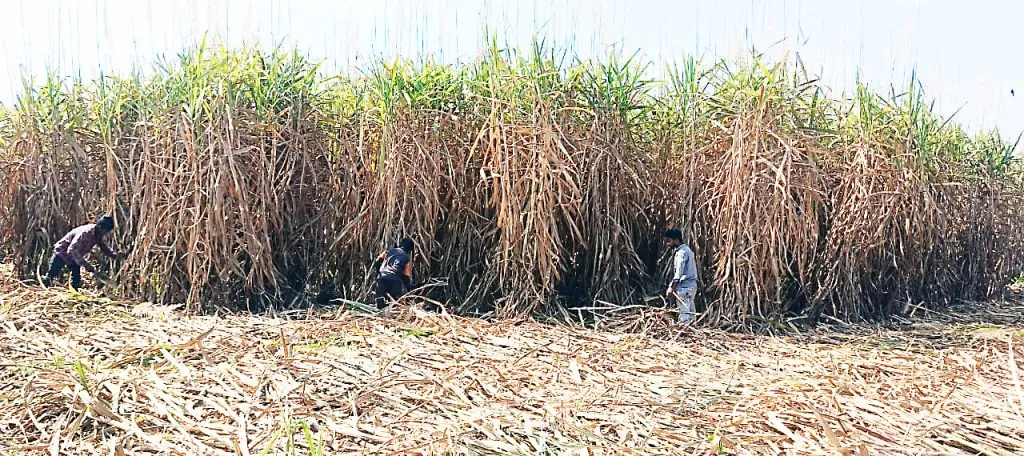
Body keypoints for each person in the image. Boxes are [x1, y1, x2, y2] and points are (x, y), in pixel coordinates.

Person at [43, 215, 123, 290]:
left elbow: (103, 247)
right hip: (62, 252)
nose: (106, 233)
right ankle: (44, 290)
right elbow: (72, 249)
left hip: (74, 256)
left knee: (76, 280)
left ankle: (74, 294)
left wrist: (115, 255)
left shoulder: (98, 234)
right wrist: (86, 265)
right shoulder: (86, 233)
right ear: (100, 227)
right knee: (51, 275)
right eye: (106, 231)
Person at [664, 228, 698, 324]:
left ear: (676, 240)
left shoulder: (681, 253)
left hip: (684, 288)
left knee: (684, 314)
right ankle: (693, 330)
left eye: (669, 241)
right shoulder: (688, 250)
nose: (668, 244)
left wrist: (671, 288)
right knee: (691, 313)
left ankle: (685, 330)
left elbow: (678, 273)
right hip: (692, 286)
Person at [373, 238, 414, 308]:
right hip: (395, 281)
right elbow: (406, 276)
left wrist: (378, 272)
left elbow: (377, 261)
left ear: (400, 245)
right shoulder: (406, 258)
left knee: (379, 303)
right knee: (395, 305)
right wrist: (408, 289)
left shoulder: (388, 251)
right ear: (410, 250)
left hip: (381, 278)